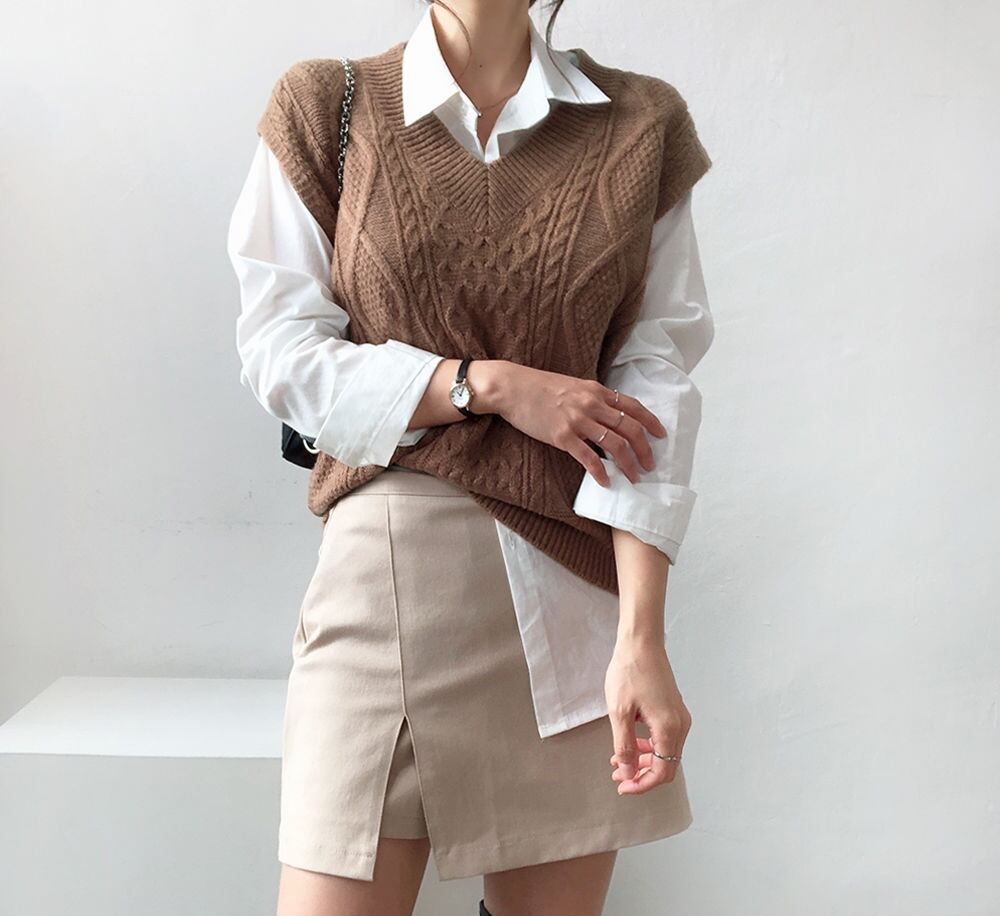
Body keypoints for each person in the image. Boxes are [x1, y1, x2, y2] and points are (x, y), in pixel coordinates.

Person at [226, 1, 714, 913]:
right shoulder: (327, 105)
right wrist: (487, 385)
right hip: (385, 582)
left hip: (571, 599)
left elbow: (655, 393)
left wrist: (642, 638)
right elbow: (282, 357)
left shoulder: (640, 122)